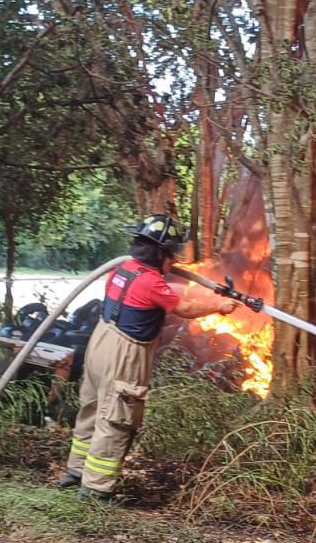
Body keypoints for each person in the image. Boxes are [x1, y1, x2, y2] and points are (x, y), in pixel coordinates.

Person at [58, 214, 238, 501]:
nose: (174, 261)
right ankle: (96, 488)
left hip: (100, 342)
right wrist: (219, 304)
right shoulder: (152, 283)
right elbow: (186, 308)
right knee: (117, 415)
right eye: (171, 254)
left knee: (92, 407)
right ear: (160, 252)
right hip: (125, 352)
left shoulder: (122, 270)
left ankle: (77, 470)